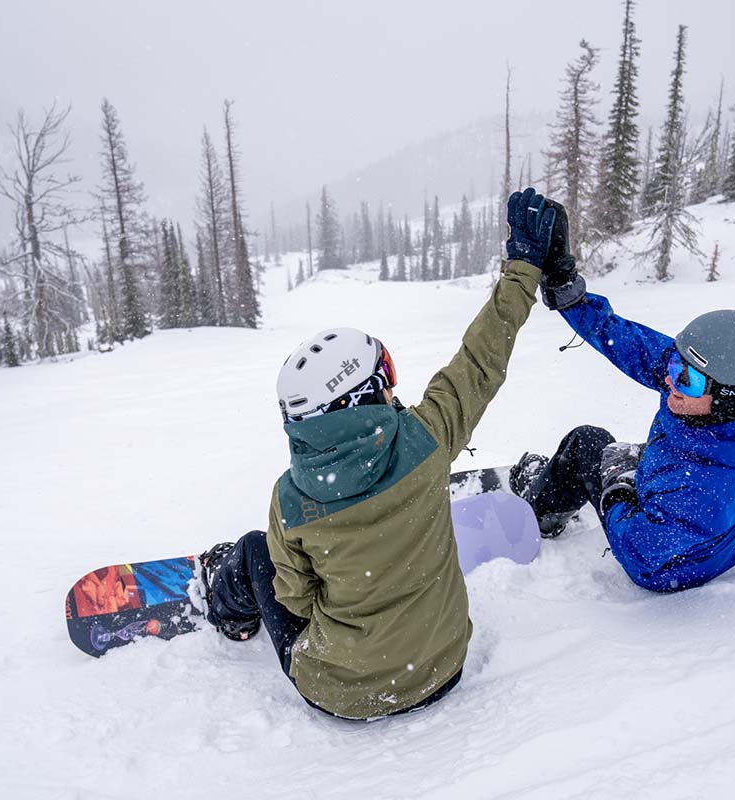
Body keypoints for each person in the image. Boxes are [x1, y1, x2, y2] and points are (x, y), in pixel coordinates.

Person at [196, 188, 563, 720]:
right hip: (445, 665)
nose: (395, 385)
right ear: (365, 395)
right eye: (385, 374)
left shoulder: (292, 499)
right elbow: (482, 359)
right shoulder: (427, 437)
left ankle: (227, 609)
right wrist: (524, 266)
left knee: (256, 551)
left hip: (344, 693)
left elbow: (296, 600)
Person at [510, 200, 735, 593]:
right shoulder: (726, 402)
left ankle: (541, 510)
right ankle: (637, 469)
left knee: (585, 443)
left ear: (732, 398)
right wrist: (566, 290)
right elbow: (632, 345)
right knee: (644, 452)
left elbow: (641, 551)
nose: (671, 381)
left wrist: (618, 490)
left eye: (688, 380)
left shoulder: (702, 492)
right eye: (675, 367)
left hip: (666, 567)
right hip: (727, 532)